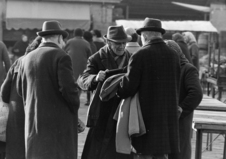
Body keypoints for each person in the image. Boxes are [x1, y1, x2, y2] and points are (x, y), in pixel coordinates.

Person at [117, 18, 181, 159]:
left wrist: (116, 87)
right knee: (161, 154)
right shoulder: (174, 55)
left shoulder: (140, 55)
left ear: (144, 35)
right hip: (167, 118)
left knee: (144, 154)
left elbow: (128, 88)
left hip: (146, 118)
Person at [16, 21, 79, 159]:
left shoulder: (26, 58)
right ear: (58, 37)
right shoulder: (61, 56)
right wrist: (75, 108)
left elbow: (20, 90)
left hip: (33, 122)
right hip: (57, 125)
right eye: (63, 39)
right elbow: (69, 90)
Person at [78, 25, 132, 159]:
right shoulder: (96, 58)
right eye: (118, 43)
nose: (121, 46)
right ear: (108, 42)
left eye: (124, 43)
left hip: (123, 111)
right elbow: (82, 80)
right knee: (98, 151)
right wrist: (95, 78)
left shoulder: (131, 58)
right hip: (103, 111)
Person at [0, 36, 42, 159]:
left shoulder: (18, 62)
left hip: (16, 111)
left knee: (15, 149)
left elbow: (4, 92)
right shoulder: (43, 64)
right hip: (35, 115)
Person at [165, 40, 203, 159]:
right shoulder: (167, 68)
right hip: (166, 122)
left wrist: (181, 109)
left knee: (180, 153)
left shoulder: (187, 69)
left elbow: (196, 93)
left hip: (180, 122)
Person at [83, 31, 97, 105]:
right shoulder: (92, 44)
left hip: (90, 66)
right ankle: (89, 100)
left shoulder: (88, 45)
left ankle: (89, 100)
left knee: (90, 83)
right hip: (93, 66)